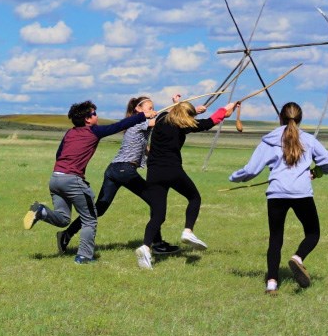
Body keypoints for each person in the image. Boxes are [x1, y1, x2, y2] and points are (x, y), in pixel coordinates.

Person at [23, 100, 155, 264]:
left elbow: (59, 154)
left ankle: (41, 211)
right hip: (72, 180)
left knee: (63, 218)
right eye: (94, 113)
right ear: (87, 119)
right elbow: (119, 125)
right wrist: (143, 116)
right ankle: (84, 256)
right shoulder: (94, 131)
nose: (96, 115)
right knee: (90, 219)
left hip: (55, 178)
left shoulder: (69, 133)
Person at [229, 101, 328, 294]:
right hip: (302, 193)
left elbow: (251, 170)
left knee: (275, 239)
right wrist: (317, 171)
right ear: (300, 119)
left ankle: (271, 283)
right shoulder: (308, 140)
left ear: (280, 117)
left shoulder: (268, 141)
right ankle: (298, 258)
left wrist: (234, 178)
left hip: (276, 194)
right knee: (313, 233)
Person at [58, 96, 178, 258]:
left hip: (114, 170)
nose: (152, 110)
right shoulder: (138, 122)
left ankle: (66, 235)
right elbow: (164, 121)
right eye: (149, 107)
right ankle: (156, 244)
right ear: (138, 109)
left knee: (99, 208)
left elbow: (146, 145)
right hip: (124, 170)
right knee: (155, 200)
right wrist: (178, 106)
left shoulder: (139, 124)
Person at [136, 96, 237, 270]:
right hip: (172, 169)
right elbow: (211, 121)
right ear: (186, 116)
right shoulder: (184, 125)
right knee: (194, 198)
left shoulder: (161, 118)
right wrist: (226, 109)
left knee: (158, 215)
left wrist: (178, 102)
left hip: (153, 172)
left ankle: (145, 247)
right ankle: (188, 231)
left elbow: (178, 111)